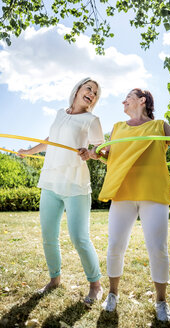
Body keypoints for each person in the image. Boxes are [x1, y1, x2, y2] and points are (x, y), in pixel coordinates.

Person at [80, 88, 170, 321]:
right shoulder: (118, 128)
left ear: (142, 100)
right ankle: (112, 294)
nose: (123, 101)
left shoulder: (159, 126)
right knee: (115, 245)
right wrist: (95, 154)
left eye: (128, 97)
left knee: (158, 248)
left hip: (153, 193)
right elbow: (108, 154)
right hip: (123, 192)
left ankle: (161, 301)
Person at [17, 77, 105, 305]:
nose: (92, 93)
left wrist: (91, 153)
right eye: (89, 88)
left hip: (76, 184)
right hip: (51, 182)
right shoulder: (60, 113)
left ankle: (96, 284)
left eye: (95, 92)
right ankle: (54, 279)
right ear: (77, 90)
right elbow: (51, 141)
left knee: (79, 237)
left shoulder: (91, 120)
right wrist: (29, 151)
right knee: (48, 236)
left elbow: (102, 151)